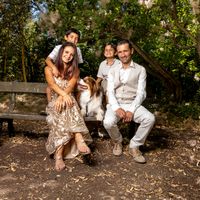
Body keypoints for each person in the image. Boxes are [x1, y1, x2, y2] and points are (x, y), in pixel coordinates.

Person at [103, 39, 155, 163]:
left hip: (133, 103)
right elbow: (110, 92)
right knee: (108, 122)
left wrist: (131, 110)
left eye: (125, 51)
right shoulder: (112, 70)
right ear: (117, 54)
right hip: (116, 103)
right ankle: (118, 141)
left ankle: (135, 145)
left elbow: (141, 93)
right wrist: (116, 108)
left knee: (150, 118)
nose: (123, 54)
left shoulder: (140, 70)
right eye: (120, 52)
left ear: (131, 51)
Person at [45, 42, 92, 171]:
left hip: (67, 100)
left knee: (68, 102)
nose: (68, 56)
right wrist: (62, 96)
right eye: (66, 52)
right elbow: (52, 85)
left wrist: (63, 97)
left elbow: (71, 86)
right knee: (67, 101)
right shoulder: (49, 68)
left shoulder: (76, 70)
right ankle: (78, 136)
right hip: (54, 102)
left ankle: (59, 155)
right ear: (61, 53)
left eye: (72, 54)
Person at [45, 28, 83, 102]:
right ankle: (50, 106)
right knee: (49, 87)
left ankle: (77, 105)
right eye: (71, 37)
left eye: (76, 38)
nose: (74, 40)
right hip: (58, 72)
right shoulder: (59, 47)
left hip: (70, 73)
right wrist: (53, 68)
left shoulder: (78, 50)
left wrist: (73, 75)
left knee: (78, 86)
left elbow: (77, 65)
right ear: (66, 37)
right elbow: (47, 60)